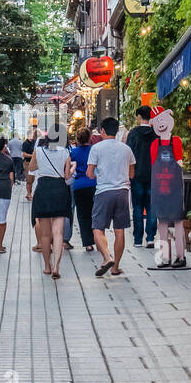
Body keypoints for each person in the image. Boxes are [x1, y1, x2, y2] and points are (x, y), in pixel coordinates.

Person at [88, 116, 136, 277]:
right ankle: (115, 267)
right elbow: (132, 173)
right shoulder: (126, 149)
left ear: (102, 131)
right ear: (116, 131)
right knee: (119, 230)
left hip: (104, 192)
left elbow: (89, 173)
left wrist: (98, 175)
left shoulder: (96, 148)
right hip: (123, 192)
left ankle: (107, 257)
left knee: (97, 228)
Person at [28, 133, 73, 278]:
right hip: (60, 189)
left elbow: (32, 167)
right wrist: (72, 168)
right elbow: (67, 175)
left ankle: (47, 266)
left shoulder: (39, 150)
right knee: (58, 233)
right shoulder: (66, 152)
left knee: (46, 235)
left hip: (43, 189)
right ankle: (56, 266)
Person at [149, 107, 188, 268]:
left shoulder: (176, 141)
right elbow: (153, 165)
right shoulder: (154, 144)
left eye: (163, 119)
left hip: (175, 189)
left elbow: (180, 162)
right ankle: (164, 257)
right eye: (157, 121)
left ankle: (180, 256)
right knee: (162, 224)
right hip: (160, 189)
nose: (161, 124)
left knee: (178, 223)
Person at [125, 105, 159, 248]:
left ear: (139, 117)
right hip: (153, 175)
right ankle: (150, 237)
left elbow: (128, 155)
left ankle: (138, 239)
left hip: (137, 175)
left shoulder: (133, 134)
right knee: (151, 207)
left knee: (137, 207)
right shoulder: (156, 133)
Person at [70, 126, 97, 253]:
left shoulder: (73, 152)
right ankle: (98, 238)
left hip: (79, 186)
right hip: (94, 184)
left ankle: (88, 243)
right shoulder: (94, 150)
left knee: (82, 215)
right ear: (90, 137)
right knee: (95, 213)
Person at [22, 129, 38, 201]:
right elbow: (24, 154)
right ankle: (29, 194)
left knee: (34, 179)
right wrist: (32, 156)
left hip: (35, 163)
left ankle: (31, 193)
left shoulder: (35, 142)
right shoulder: (25, 143)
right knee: (29, 179)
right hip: (28, 163)